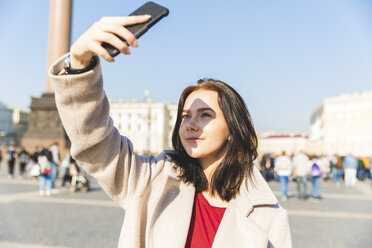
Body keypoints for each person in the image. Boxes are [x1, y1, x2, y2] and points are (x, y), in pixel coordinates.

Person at [49, 15, 291, 248]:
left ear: (232, 128)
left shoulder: (267, 214)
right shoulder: (150, 180)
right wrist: (80, 65)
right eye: (185, 116)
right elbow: (96, 143)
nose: (191, 124)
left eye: (205, 114)